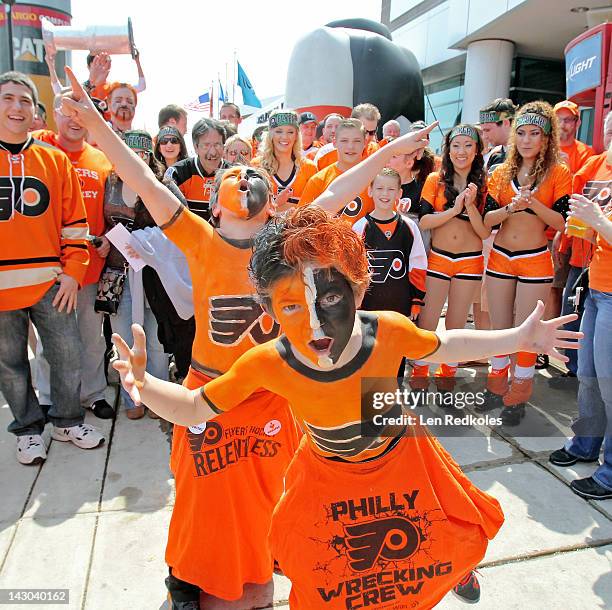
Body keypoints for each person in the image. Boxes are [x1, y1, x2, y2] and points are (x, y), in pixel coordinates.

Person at [113, 196, 583, 609]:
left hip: (404, 456)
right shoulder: (267, 363)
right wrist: (146, 386)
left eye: (331, 296)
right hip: (327, 473)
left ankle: (452, 564)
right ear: (269, 309)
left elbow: (445, 344)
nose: (317, 326)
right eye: (292, 306)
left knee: (444, 530)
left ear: (359, 288)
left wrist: (520, 336)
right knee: (315, 566)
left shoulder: (387, 331)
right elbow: (195, 408)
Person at [59, 67, 301, 609]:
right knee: (197, 496)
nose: (240, 176)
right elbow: (142, 177)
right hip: (205, 395)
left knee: (268, 494)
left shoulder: (284, 245)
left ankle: (262, 563)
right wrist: (96, 120)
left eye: (249, 175)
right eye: (228, 179)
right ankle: (185, 577)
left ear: (269, 205)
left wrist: (390, 153)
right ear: (213, 203)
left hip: (266, 400)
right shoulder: (198, 237)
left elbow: (335, 193)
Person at [0, 71, 105, 465]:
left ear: (34, 110)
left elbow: (76, 225)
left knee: (67, 354)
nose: (16, 107)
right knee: (11, 365)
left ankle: (66, 420)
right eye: (8, 98)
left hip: (50, 282)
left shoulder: (53, 159)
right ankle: (27, 430)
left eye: (25, 100)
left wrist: (74, 271)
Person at [480, 102, 570, 425]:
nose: (528, 139)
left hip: (535, 259)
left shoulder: (559, 171)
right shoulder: (500, 171)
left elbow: (562, 222)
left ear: (547, 138)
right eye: (521, 133)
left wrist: (532, 204)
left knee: (528, 331)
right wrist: (510, 209)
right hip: (501, 257)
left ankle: (518, 396)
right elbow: (488, 219)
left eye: (535, 133)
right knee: (500, 327)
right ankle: (495, 386)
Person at [31, 95, 114, 420]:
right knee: (49, 339)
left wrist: (108, 237)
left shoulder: (101, 160)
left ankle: (93, 393)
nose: (75, 120)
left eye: (81, 114)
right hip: (49, 270)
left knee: (92, 338)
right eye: (67, 112)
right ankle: (48, 396)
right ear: (54, 114)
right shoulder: (39, 149)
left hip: (90, 267)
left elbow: (112, 211)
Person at [410, 125, 490, 392]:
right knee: (429, 319)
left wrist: (470, 207)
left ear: (477, 149)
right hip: (439, 259)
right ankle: (420, 372)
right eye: (456, 145)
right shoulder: (435, 179)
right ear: (448, 148)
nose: (461, 151)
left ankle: (447, 377)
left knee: (456, 323)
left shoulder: (484, 182)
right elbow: (425, 221)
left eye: (468, 145)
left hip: (470, 260)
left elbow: (484, 231)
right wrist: (454, 210)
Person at [549, 188, 612, 500]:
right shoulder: (607, 182)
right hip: (598, 290)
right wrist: (588, 226)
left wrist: (597, 220)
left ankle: (610, 472)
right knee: (587, 376)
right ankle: (586, 444)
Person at [102, 130, 170, 419]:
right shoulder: (109, 184)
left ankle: (158, 399)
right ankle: (133, 400)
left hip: (154, 276)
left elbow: (174, 227)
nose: (136, 158)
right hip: (118, 274)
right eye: (130, 153)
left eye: (142, 153)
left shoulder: (161, 186)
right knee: (123, 338)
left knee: (154, 340)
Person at [552, 112, 612, 385]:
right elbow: (578, 214)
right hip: (591, 274)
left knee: (604, 377)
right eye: (609, 130)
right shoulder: (594, 165)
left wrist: (597, 222)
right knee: (589, 375)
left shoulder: (584, 154)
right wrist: (568, 236)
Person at [352, 167, 427, 381]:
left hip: (400, 303)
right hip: (369, 304)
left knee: (396, 352)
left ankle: (394, 398)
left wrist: (416, 299)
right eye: (380, 188)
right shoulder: (361, 227)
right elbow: (353, 268)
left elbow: (417, 264)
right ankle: (370, 402)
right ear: (370, 191)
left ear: (399, 193)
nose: (385, 194)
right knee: (369, 351)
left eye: (391, 189)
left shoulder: (409, 226)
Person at [300, 118, 374, 222]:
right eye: (344, 140)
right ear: (334, 142)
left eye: (357, 141)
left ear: (365, 143)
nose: (350, 146)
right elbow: (302, 224)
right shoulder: (318, 181)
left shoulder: (374, 179)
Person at [252, 110, 317, 212]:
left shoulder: (309, 167)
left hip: (299, 227)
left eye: (290, 132)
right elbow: (250, 209)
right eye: (279, 131)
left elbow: (314, 209)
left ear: (296, 135)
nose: (285, 137)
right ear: (270, 134)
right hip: (264, 227)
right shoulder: (256, 166)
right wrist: (276, 204)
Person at [165, 118, 228, 220]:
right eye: (206, 145)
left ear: (224, 146)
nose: (212, 152)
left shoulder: (234, 174)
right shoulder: (178, 173)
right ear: (195, 147)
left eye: (217, 144)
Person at [478, 98, 517, 172]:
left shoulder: (528, 153)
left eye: (487, 130)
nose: (485, 136)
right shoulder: (494, 156)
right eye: (483, 131)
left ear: (506, 123)